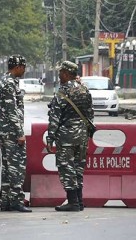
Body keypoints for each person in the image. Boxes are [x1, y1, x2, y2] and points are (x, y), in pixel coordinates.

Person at [45, 61, 93, 212]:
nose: (59, 76)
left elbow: (54, 118)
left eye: (60, 73)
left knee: (66, 168)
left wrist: (50, 138)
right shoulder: (85, 90)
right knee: (78, 168)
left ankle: (72, 202)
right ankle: (79, 201)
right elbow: (90, 113)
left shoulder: (62, 92)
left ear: (66, 73)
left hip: (66, 136)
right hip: (82, 136)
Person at [0, 55, 31, 212]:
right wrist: (19, 133)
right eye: (23, 67)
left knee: (8, 168)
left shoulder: (6, 81)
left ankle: (6, 201)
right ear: (17, 67)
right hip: (11, 132)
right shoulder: (9, 84)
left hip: (6, 131)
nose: (24, 70)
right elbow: (11, 111)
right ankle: (17, 200)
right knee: (17, 167)